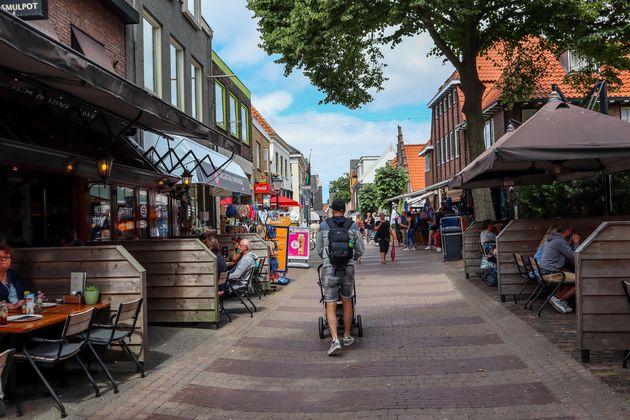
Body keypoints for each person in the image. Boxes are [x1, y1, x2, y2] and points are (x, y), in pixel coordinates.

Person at [315, 200, 364, 356]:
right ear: (344, 210)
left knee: (330, 303)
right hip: (347, 269)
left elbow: (319, 249)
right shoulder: (353, 226)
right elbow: (360, 249)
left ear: (332, 210)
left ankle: (335, 339)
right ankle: (348, 335)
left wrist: (326, 259)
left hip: (329, 269)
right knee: (347, 300)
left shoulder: (324, 226)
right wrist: (353, 257)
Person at [538, 222, 581, 314]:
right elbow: (575, 257)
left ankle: (555, 297)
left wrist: (570, 245)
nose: (572, 233)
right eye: (571, 231)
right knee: (581, 280)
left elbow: (566, 256)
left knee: (571, 275)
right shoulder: (560, 241)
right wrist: (576, 243)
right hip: (551, 273)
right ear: (566, 231)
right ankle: (559, 299)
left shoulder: (553, 239)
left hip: (545, 272)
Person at [0, 245, 26, 310]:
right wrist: (11, 306)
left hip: (20, 314)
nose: (3, 260)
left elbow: (24, 295)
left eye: (6, 257)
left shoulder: (14, 275)